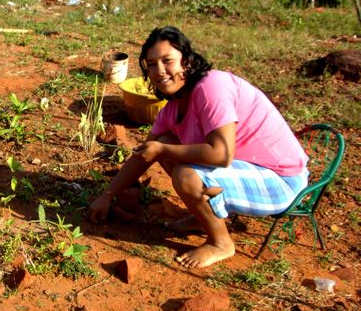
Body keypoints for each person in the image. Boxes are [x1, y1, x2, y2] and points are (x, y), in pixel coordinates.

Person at [88, 26, 309, 269]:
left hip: (282, 181)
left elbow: (222, 155)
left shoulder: (211, 87)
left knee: (184, 172)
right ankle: (203, 217)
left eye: (167, 60)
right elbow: (145, 154)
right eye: (151, 64)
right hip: (247, 170)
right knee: (164, 142)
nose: (160, 71)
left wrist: (162, 151)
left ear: (188, 61)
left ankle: (221, 243)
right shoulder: (172, 109)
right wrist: (107, 195)